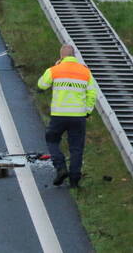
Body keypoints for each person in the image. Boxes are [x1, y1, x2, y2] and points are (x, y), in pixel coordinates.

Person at [38, 44, 98, 188]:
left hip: (59, 115)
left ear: (61, 56)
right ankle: (74, 181)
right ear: (74, 55)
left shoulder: (55, 70)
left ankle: (60, 167)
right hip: (78, 116)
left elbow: (42, 85)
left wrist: (55, 67)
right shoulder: (85, 72)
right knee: (76, 148)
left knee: (52, 140)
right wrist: (87, 111)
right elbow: (92, 94)